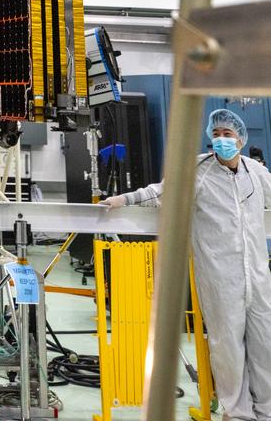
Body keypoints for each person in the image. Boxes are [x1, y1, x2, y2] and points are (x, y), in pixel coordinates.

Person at [102, 108, 271, 421]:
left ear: (241, 140)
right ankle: (238, 413)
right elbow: (159, 193)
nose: (221, 140)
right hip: (221, 278)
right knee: (228, 348)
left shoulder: (256, 172)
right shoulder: (198, 169)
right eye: (216, 134)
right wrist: (124, 200)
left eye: (228, 134)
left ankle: (267, 410)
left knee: (266, 345)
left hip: (259, 278)